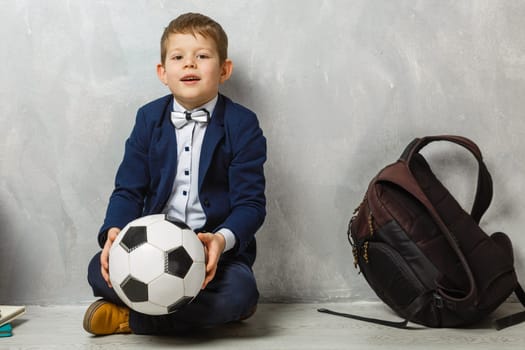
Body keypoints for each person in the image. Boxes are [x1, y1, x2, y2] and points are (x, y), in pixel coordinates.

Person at [83, 12, 266, 335]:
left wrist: (220, 241)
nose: (190, 64)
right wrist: (113, 232)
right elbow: (128, 190)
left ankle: (129, 319)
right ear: (162, 72)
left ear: (224, 70)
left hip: (213, 256)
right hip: (149, 249)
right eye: (178, 57)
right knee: (98, 270)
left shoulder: (243, 124)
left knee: (240, 292)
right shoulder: (148, 119)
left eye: (203, 56)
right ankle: (193, 313)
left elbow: (250, 205)